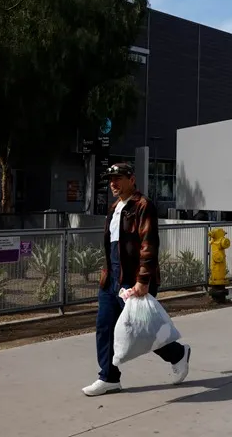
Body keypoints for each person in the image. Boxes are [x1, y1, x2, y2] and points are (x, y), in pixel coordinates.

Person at [82, 162, 191, 397]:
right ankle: (109, 377)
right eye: (111, 180)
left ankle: (179, 354)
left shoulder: (143, 206)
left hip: (134, 281)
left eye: (118, 178)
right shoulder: (114, 208)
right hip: (111, 279)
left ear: (132, 179)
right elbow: (112, 247)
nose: (113, 183)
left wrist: (143, 280)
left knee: (143, 331)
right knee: (104, 327)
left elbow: (148, 245)